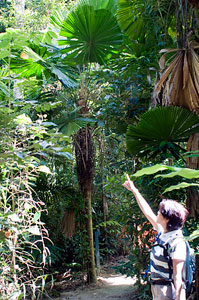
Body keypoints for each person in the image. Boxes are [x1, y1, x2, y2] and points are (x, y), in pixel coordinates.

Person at [122, 174, 189, 300]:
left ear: (167, 219)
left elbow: (178, 277)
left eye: (160, 212)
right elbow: (146, 211)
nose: (157, 213)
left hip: (168, 292)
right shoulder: (163, 232)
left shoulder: (176, 242)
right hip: (158, 290)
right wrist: (134, 191)